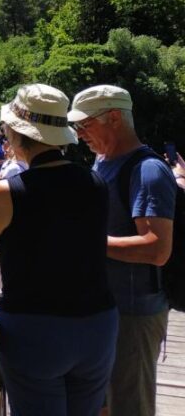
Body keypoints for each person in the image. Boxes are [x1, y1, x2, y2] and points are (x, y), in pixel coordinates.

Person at [0, 84, 117, 415]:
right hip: (97, 327)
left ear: (18, 133)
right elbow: (46, 204)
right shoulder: (96, 183)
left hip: (37, 332)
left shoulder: (7, 193)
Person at [67, 85, 176, 416]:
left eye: (83, 125)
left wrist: (87, 243)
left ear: (113, 117)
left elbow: (157, 248)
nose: (79, 134)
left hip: (134, 314)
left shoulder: (148, 171)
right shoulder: (103, 161)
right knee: (101, 404)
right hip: (104, 309)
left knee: (131, 406)